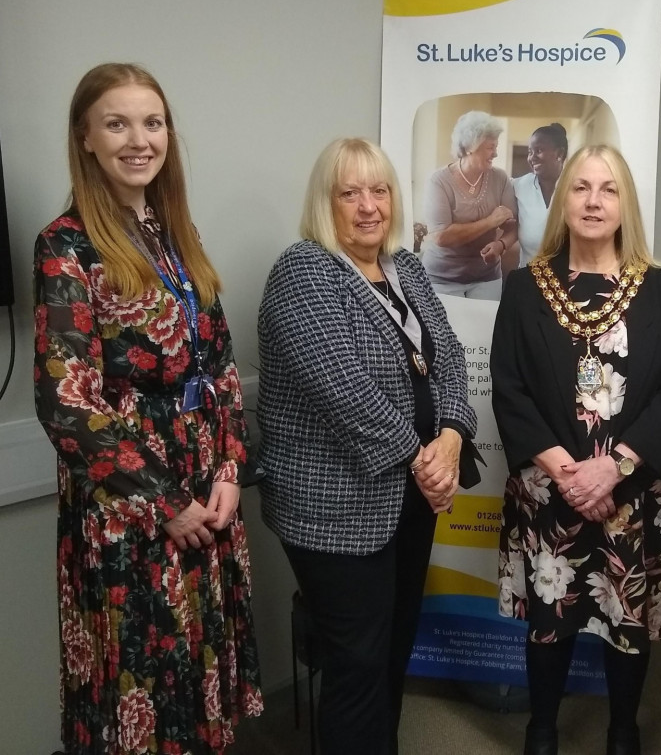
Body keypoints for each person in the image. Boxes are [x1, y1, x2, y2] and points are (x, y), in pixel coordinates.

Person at [33, 63, 262, 755]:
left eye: (153, 122)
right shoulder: (66, 245)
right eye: (118, 122)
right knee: (142, 677)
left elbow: (219, 361)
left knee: (198, 672)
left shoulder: (172, 233)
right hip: (127, 499)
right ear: (87, 137)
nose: (139, 139)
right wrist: (167, 500)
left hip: (204, 479)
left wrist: (227, 469)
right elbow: (64, 400)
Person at [256, 138, 477, 755]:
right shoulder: (304, 269)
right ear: (325, 203)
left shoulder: (404, 266)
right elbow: (343, 388)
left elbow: (450, 358)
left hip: (409, 495)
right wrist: (424, 459)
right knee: (357, 661)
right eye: (348, 192)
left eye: (378, 190)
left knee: (394, 646)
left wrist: (453, 438)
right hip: (336, 505)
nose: (368, 206)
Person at [491, 145, 661, 755]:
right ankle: (541, 730)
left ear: (624, 203)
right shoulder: (525, 288)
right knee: (550, 620)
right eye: (580, 188)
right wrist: (566, 473)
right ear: (563, 201)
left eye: (608, 190)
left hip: (631, 491)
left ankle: (622, 730)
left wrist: (614, 468)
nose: (592, 201)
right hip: (550, 487)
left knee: (626, 619)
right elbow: (510, 390)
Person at [420, 110, 517, 299]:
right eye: (491, 147)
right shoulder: (438, 181)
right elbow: (441, 237)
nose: (496, 153)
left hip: (487, 277)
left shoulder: (500, 178)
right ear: (472, 146)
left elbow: (512, 225)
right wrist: (490, 222)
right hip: (441, 279)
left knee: (485, 329)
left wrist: (501, 245)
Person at [513, 123, 568, 267]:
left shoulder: (575, 187)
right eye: (530, 152)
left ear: (560, 154)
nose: (532, 158)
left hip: (565, 281)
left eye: (538, 150)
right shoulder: (519, 186)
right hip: (528, 278)